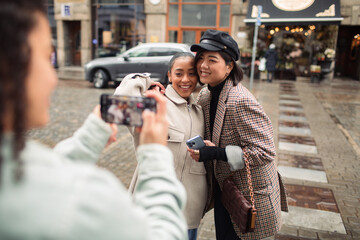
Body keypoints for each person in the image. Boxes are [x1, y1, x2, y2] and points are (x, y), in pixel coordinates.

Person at [0, 1, 188, 239]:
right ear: (10, 67)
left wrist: (88, 140)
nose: (53, 78)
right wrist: (154, 154)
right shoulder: (82, 198)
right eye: (47, 57)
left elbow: (35, 176)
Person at [188, 29, 288, 240]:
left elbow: (265, 151)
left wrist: (216, 153)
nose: (203, 66)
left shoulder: (240, 100)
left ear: (229, 66)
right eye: (201, 58)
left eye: (212, 60)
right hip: (225, 190)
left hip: (248, 194)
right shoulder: (207, 92)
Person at [114, 52, 206, 240]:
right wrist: (146, 81)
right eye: (179, 74)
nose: (185, 80)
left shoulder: (200, 112)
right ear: (169, 75)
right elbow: (117, 107)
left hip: (189, 214)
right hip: (153, 212)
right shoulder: (155, 104)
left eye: (191, 74)